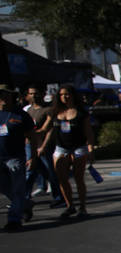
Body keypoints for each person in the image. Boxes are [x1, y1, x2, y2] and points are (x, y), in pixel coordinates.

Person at [37, 84, 97, 220]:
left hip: (78, 147)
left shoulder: (81, 112)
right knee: (62, 179)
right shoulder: (54, 112)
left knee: (78, 178)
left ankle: (82, 207)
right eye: (62, 94)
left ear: (73, 95)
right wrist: (34, 136)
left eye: (67, 94)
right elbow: (46, 129)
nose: (65, 97)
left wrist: (91, 149)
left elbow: (89, 132)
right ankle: (70, 205)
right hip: (61, 148)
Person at [22, 84, 64, 212]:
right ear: (27, 95)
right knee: (30, 172)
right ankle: (24, 198)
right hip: (30, 146)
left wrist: (43, 146)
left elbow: (48, 129)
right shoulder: (28, 111)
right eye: (31, 93)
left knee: (51, 172)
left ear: (41, 94)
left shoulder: (48, 109)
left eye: (36, 93)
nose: (34, 96)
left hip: (44, 146)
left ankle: (58, 197)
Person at [1, 84, 33, 231]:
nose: (3, 97)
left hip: (15, 157)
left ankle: (14, 219)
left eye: (6, 94)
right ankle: (25, 204)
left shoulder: (21, 115)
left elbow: (31, 137)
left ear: (11, 96)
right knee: (5, 187)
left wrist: (32, 156)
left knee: (18, 189)